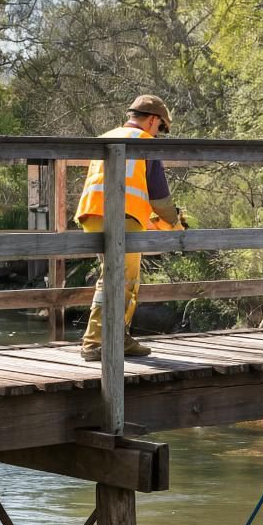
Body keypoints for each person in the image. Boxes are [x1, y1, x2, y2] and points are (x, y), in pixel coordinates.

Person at [75, 94, 185, 362]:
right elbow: (159, 197)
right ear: (152, 120)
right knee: (120, 280)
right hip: (121, 217)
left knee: (114, 276)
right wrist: (175, 223)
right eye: (160, 128)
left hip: (93, 213)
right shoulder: (144, 143)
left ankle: (117, 337)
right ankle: (95, 342)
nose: (158, 135)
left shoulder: (107, 134)